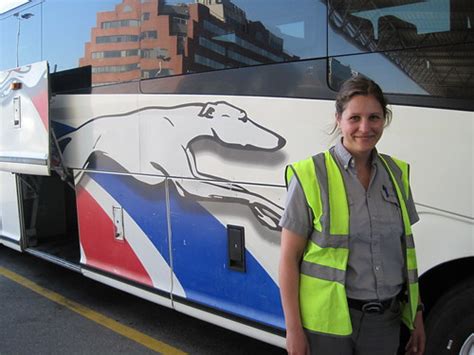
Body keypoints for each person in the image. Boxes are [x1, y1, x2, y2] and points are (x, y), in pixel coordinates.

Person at [278, 76, 425, 355]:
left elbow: (404, 253)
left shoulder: (397, 175)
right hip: (325, 324)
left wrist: (417, 314)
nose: (365, 128)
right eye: (354, 117)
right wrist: (293, 330)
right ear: (338, 119)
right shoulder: (310, 174)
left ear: (385, 119)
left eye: (374, 117)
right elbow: (288, 259)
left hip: (384, 323)